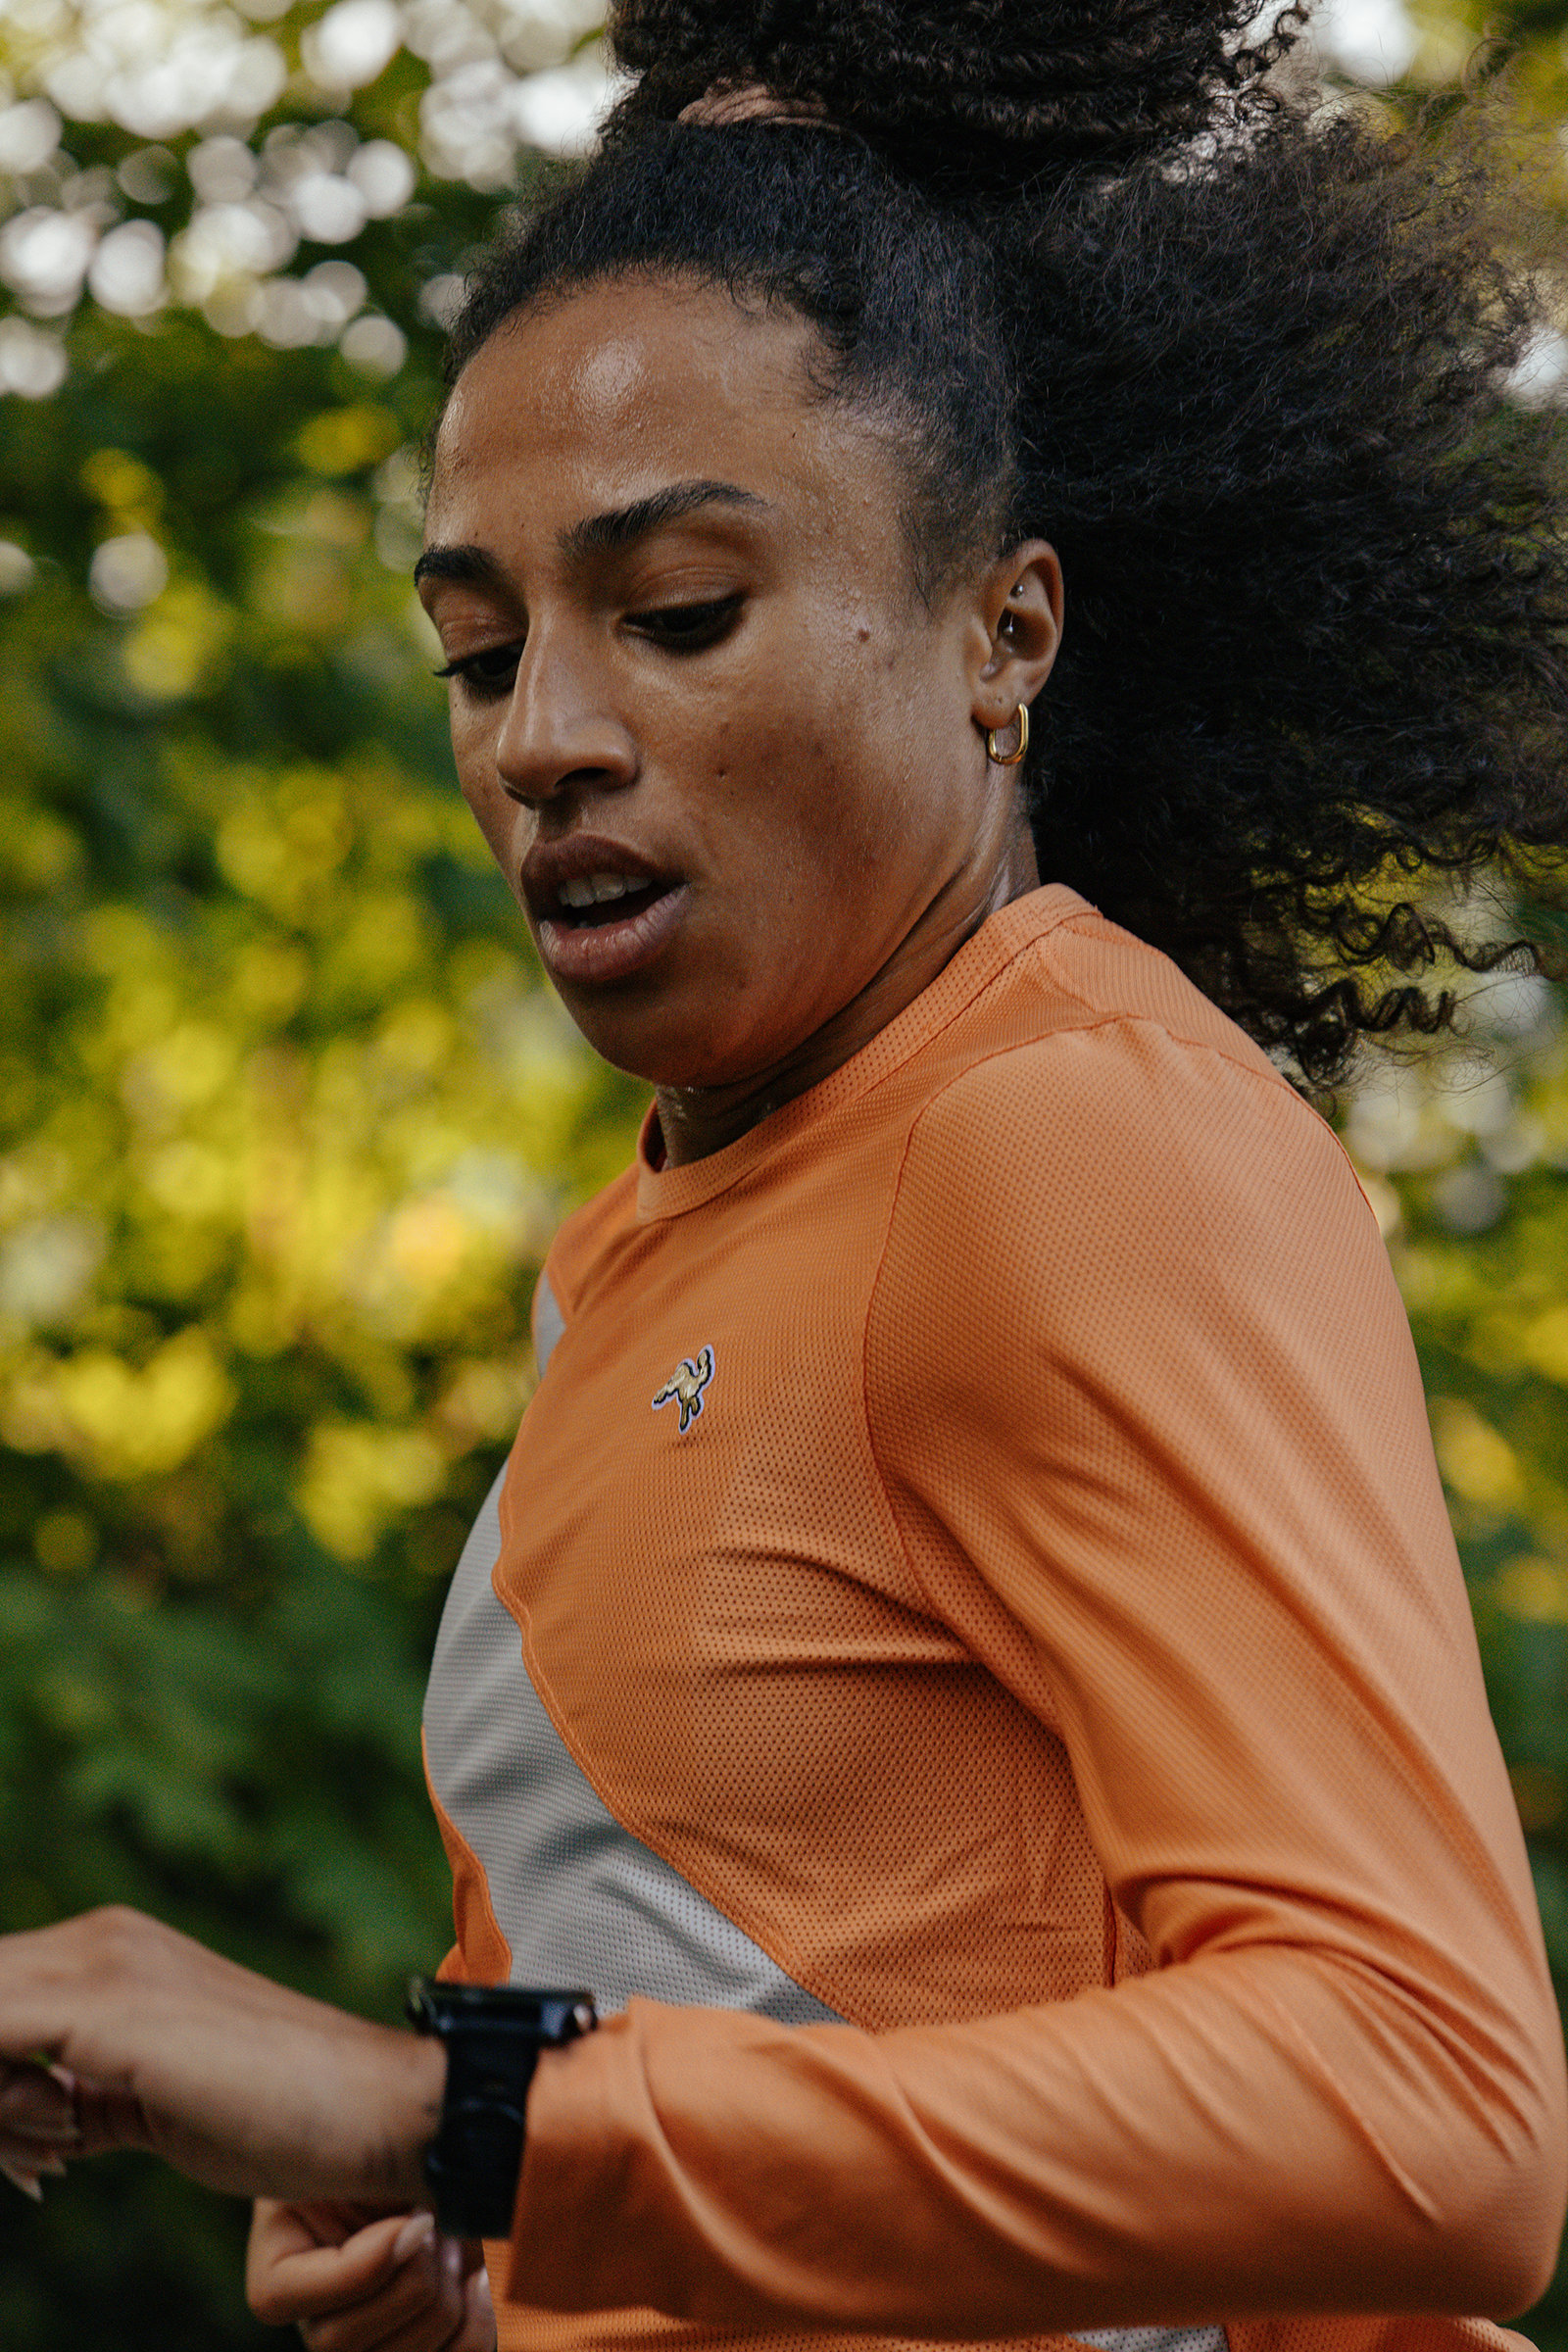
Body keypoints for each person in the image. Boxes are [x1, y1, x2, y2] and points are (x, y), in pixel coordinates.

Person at [4, 4, 1568, 2351]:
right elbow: (826, 2031)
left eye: (676, 613)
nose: (542, 737)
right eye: (474, 650)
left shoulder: (1068, 1128)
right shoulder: (632, 1249)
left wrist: (447, 2115)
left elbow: (1426, 2109)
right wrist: (492, 2261)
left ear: (997, 635)